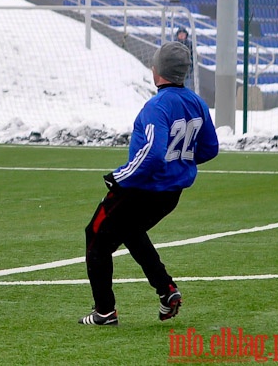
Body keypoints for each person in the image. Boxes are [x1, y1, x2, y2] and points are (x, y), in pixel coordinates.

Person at [79, 41, 219, 326]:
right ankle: (167, 291)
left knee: (95, 236)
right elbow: (209, 148)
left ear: (158, 71)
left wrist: (121, 176)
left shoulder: (157, 105)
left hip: (140, 189)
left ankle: (105, 312)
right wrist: (180, 164)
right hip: (170, 194)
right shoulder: (196, 102)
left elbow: (153, 153)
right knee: (131, 232)